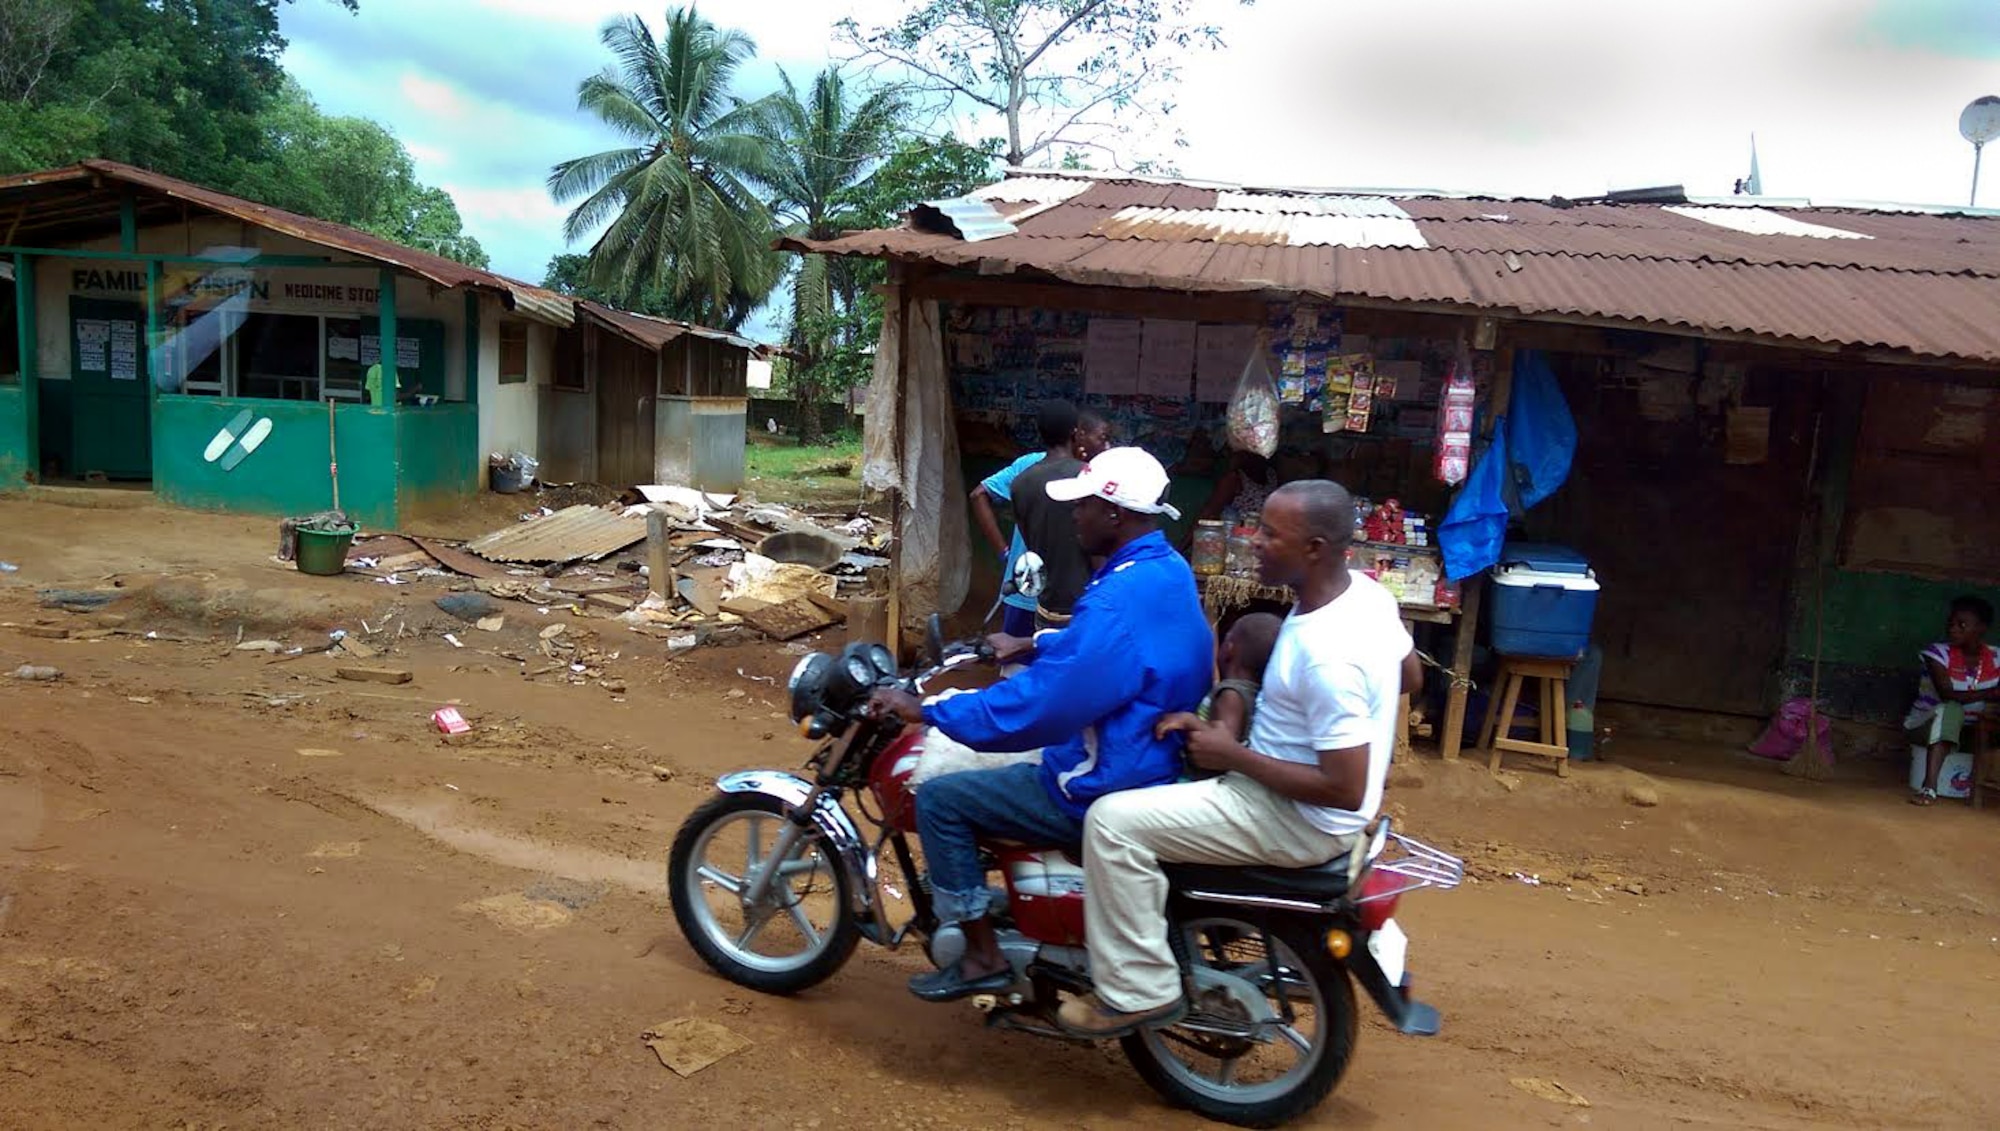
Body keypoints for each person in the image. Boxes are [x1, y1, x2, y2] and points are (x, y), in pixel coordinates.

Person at [1059, 479, 1420, 1038]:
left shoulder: (1325, 654)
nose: (1253, 541)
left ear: (1315, 549)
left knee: (1111, 823)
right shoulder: (1367, 598)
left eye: (1271, 534)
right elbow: (1411, 674)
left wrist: (1233, 753)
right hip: (1297, 799)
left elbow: (1343, 787)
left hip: (1293, 817)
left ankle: (1136, 991)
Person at [867, 448, 1213, 1002]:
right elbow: (1124, 652)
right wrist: (1037, 641)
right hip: (1145, 750)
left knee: (941, 799)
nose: (1074, 517)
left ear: (1116, 514)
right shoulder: (1162, 570)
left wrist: (931, 710)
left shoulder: (1115, 598)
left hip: (1101, 774)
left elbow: (1039, 709)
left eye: (1084, 507)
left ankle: (980, 956)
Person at [968, 402, 1076, 637]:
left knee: (1014, 664)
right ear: (1075, 433)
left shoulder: (1026, 465)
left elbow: (978, 495)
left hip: (1023, 583)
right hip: (1065, 595)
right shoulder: (1085, 473)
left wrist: (1005, 553)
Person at [1007, 409, 1112, 628]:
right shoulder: (1089, 475)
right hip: (1086, 606)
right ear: (1075, 434)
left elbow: (1031, 543)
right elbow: (1100, 552)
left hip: (1046, 607)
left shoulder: (1020, 483)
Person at [1160, 612, 1283, 772]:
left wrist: (1189, 721)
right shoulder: (1257, 693)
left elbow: (1223, 746)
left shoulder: (1231, 693)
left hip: (1204, 781)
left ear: (1229, 648)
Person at [1906, 595, 1999, 805]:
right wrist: (1991, 693)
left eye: (1962, 624)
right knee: (1951, 709)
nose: (1953, 629)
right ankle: (1929, 788)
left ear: (1981, 628)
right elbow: (1948, 694)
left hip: (1975, 730)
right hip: (1927, 726)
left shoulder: (1997, 657)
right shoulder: (1937, 653)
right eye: (1951, 623)